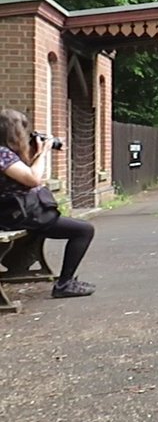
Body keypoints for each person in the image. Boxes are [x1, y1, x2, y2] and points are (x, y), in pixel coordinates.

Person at [0, 109, 96, 298]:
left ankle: (26, 267)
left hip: (16, 212)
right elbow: (34, 179)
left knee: (75, 227)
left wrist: (33, 154)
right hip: (14, 215)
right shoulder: (3, 154)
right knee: (84, 230)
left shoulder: (6, 153)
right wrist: (43, 154)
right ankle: (64, 284)